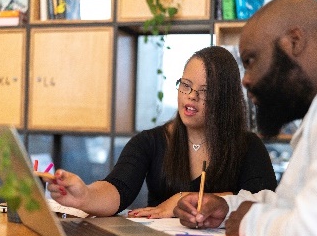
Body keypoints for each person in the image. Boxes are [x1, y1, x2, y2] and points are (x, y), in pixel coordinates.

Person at [173, 0, 317, 236]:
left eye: (251, 60)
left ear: (294, 42)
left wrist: (249, 222)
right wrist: (229, 209)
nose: (245, 80)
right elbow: (292, 204)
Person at [45, 46, 277, 219]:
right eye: (186, 85)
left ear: (225, 100)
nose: (191, 96)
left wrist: (184, 200)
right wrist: (84, 195)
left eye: (204, 91)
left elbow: (265, 204)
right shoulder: (149, 142)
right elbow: (117, 189)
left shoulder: (249, 147)